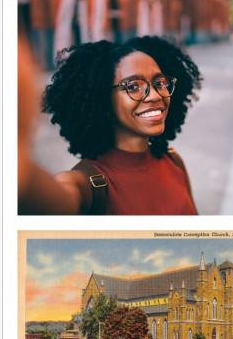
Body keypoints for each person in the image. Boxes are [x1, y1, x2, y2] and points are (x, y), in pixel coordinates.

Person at [19, 35, 202, 215]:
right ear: (103, 100)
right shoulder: (85, 185)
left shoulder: (174, 162)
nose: (155, 95)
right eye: (133, 86)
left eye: (160, 82)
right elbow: (44, 198)